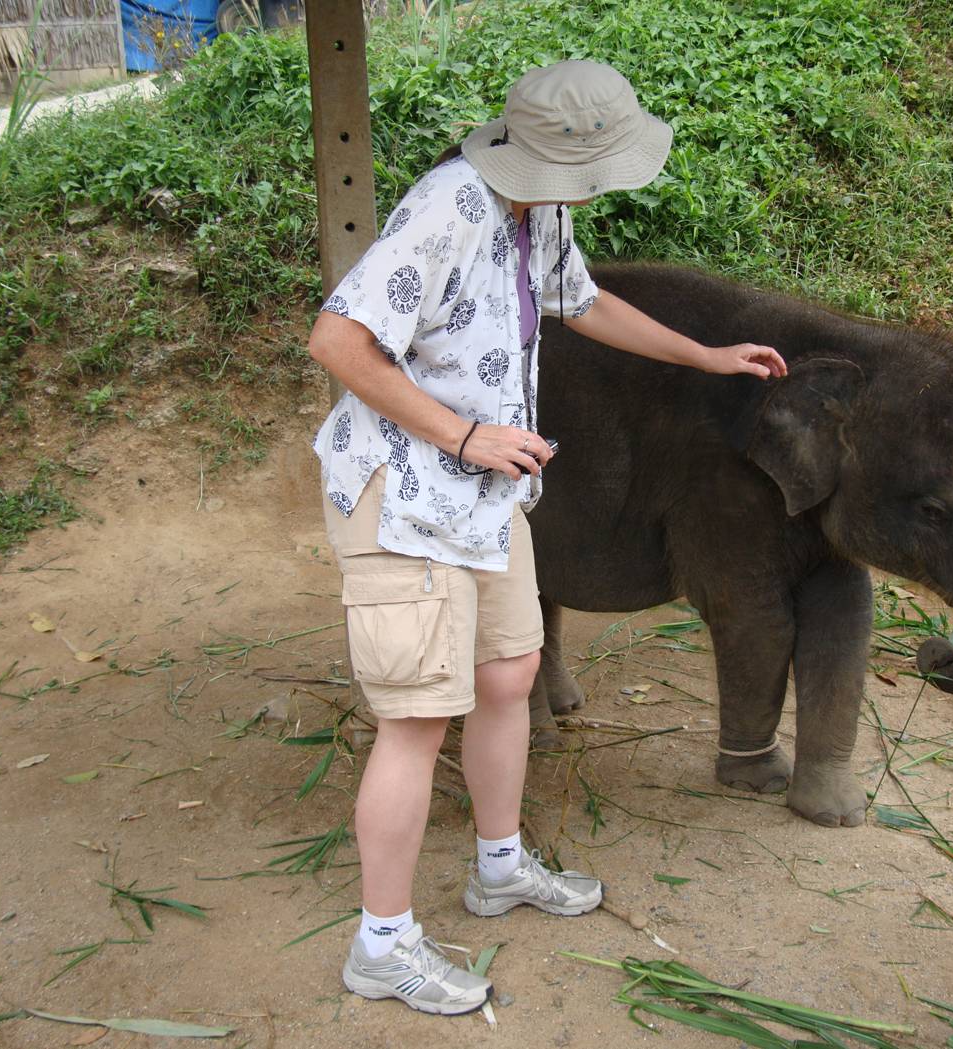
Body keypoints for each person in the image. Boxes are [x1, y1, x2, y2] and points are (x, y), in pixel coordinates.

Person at [307, 59, 787, 1016]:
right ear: (553, 153)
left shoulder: (539, 209)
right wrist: (465, 433)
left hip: (483, 498)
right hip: (402, 495)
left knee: (508, 674)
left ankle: (497, 867)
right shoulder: (448, 205)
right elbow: (337, 340)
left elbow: (582, 301)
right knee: (415, 719)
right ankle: (383, 943)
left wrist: (707, 356)